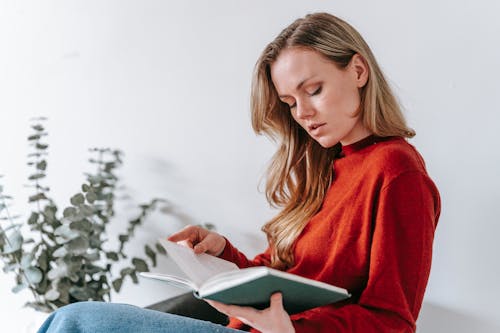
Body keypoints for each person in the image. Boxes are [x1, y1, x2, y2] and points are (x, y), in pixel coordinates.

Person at [37, 12, 440, 333]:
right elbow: (283, 276)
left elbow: (393, 322)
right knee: (70, 321)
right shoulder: (324, 167)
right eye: (289, 102)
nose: (303, 114)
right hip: (247, 322)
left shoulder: (396, 170)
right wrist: (223, 254)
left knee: (77, 321)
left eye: (313, 90)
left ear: (358, 71)